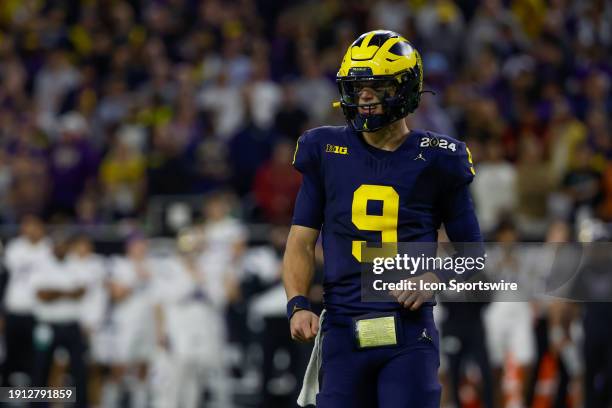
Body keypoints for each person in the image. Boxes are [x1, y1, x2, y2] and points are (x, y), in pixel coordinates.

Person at [282, 30, 482, 408]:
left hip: (408, 335)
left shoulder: (440, 158)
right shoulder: (324, 150)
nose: (365, 98)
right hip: (342, 329)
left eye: (377, 87)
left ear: (407, 88)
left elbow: (473, 254)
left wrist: (434, 277)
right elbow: (301, 241)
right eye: (358, 88)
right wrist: (297, 303)